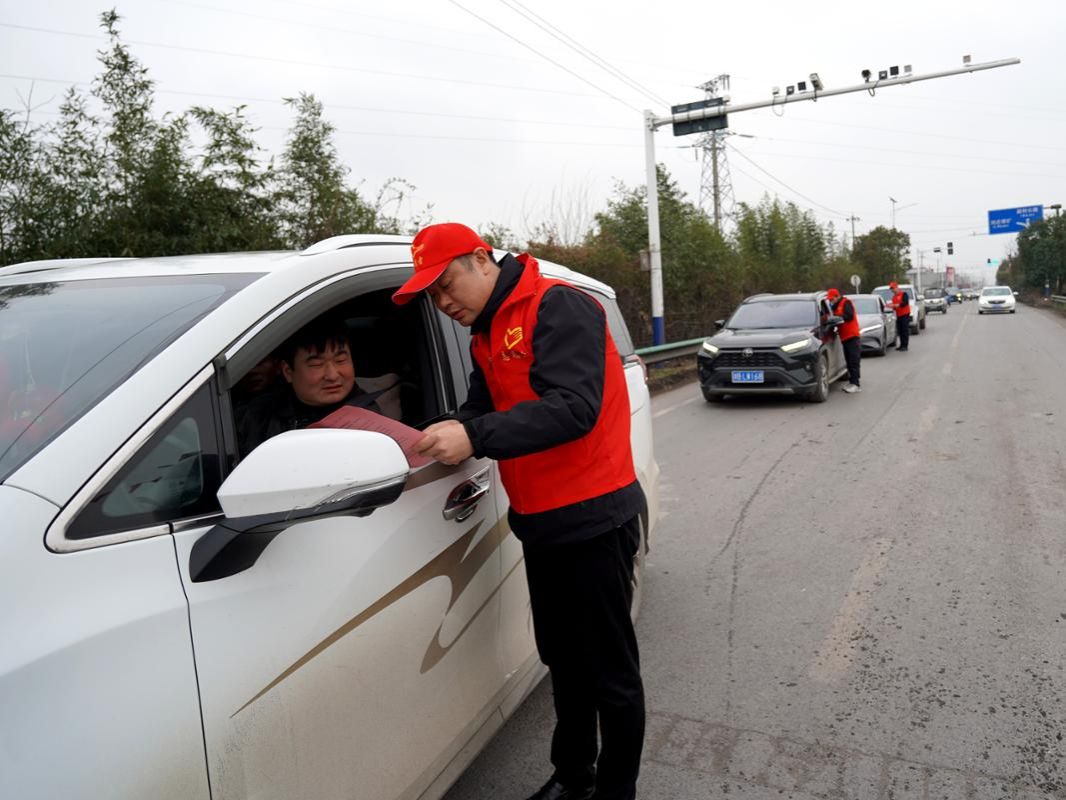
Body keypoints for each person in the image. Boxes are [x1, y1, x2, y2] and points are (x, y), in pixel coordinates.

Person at [393, 222, 646, 800]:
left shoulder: (557, 306)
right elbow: (482, 407)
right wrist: (448, 430)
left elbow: (574, 407)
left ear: (481, 259)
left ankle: (616, 791)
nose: (443, 303)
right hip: (541, 521)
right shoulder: (485, 332)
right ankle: (574, 777)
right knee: (563, 659)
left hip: (594, 519)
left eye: (446, 285)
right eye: (432, 296)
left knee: (610, 674)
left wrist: (475, 434)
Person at [236, 316, 400, 455]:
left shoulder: (367, 423)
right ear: (288, 371)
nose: (332, 375)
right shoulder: (257, 415)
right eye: (316, 364)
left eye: (341, 360)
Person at [826, 288, 861, 393]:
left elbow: (849, 316)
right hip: (845, 337)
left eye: (832, 299)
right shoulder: (835, 306)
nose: (831, 301)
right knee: (848, 361)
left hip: (852, 336)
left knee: (853, 361)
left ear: (837, 296)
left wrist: (837, 317)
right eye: (830, 300)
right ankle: (852, 382)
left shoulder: (846, 303)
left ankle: (856, 384)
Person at [887, 280, 911, 352]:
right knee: (900, 331)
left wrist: (896, 305)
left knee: (904, 331)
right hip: (899, 315)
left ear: (896, 287)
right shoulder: (894, 297)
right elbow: (895, 307)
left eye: (893, 288)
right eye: (891, 289)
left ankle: (905, 346)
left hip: (905, 315)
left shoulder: (904, 294)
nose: (892, 290)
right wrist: (891, 306)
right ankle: (901, 345)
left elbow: (905, 303)